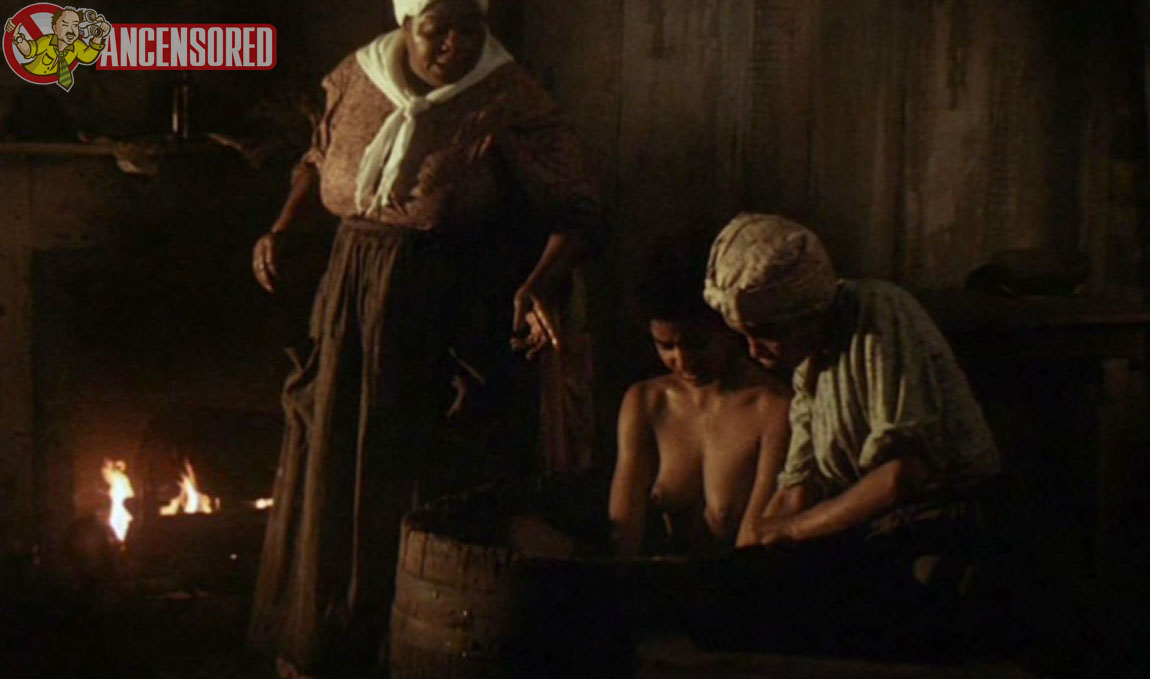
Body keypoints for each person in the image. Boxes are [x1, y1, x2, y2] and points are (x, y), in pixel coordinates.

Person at [247, 0, 599, 676]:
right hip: (350, 293)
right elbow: (316, 160)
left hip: (440, 305)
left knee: (412, 471)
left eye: (470, 28)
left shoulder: (507, 96)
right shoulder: (356, 76)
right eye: (438, 30)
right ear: (405, 25)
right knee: (335, 457)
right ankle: (328, 639)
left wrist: (538, 283)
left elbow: (576, 211)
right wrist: (283, 227)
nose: (454, 45)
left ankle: (404, 642)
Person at [696, 213, 1002, 657]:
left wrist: (790, 532)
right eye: (744, 336)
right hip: (878, 530)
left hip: (945, 521)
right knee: (734, 610)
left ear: (806, 310)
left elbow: (903, 475)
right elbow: (798, 486)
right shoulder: (809, 365)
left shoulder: (877, 313)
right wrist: (747, 562)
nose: (754, 351)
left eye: (767, 334)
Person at [608, 251, 791, 556]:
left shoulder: (773, 408)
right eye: (666, 346)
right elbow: (624, 528)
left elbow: (755, 541)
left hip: (736, 577)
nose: (682, 361)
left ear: (730, 328)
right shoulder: (646, 401)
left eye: (697, 344)